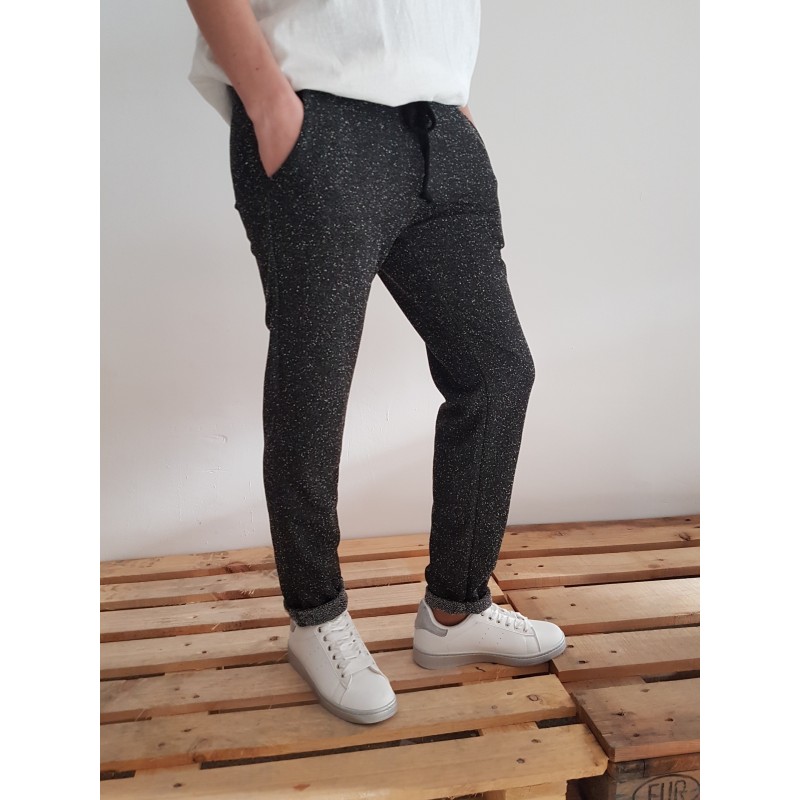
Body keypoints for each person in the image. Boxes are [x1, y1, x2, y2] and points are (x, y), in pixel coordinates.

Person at [185, 0, 567, 725]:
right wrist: (269, 104)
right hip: (320, 119)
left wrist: (455, 106)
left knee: (497, 372)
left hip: (442, 127)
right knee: (315, 383)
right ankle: (316, 616)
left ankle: (456, 611)